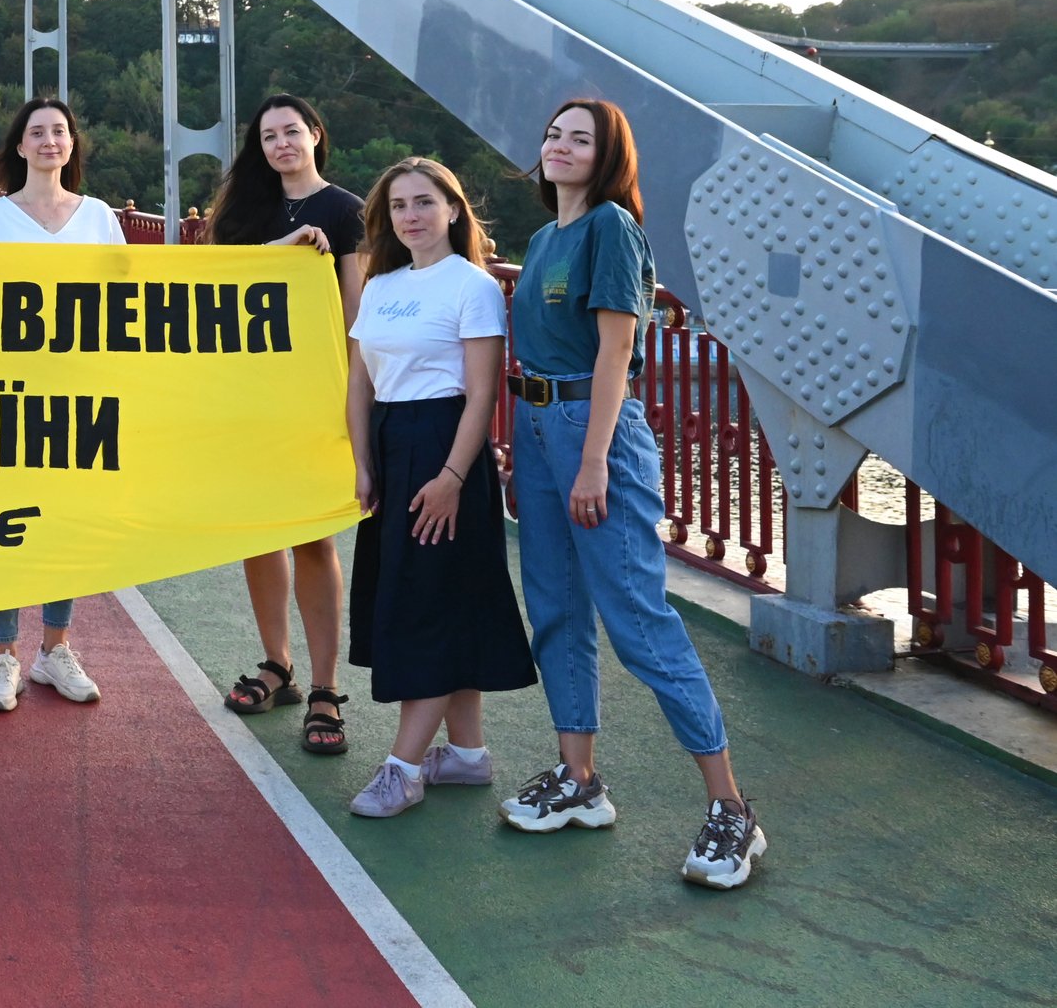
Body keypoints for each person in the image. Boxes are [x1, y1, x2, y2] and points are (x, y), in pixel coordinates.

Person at [502, 98, 766, 888]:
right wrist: (532, 450)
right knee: (554, 608)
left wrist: (592, 463)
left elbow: (617, 349)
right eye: (552, 132)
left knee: (639, 623)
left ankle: (732, 809)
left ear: (609, 155)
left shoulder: (612, 226)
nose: (559, 145)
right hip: (542, 424)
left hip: (595, 434)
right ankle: (578, 779)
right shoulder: (546, 235)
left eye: (580, 138)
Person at [340, 158, 537, 818]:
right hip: (394, 447)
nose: (412, 215)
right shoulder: (381, 283)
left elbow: (481, 392)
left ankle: (404, 767)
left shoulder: (473, 285)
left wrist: (452, 476)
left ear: (453, 208)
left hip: (444, 445)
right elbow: (360, 381)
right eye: (399, 205)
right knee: (435, 594)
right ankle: (468, 753)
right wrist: (365, 460)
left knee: (427, 601)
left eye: (424, 201)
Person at [205, 94, 369, 756]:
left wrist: (357, 401)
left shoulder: (346, 208)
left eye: (291, 131)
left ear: (315, 135)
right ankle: (278, 663)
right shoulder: (244, 209)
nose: (281, 144)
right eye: (269, 135)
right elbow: (218, 285)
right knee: (260, 531)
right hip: (252, 396)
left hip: (314, 398)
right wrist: (281, 248)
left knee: (312, 538)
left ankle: (326, 686)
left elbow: (356, 313)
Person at [0, 96, 119, 712]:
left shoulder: (101, 217)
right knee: (6, 525)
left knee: (63, 523)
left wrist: (280, 254)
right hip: (5, 392)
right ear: (19, 147)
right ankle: (4, 657)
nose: (50, 141)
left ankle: (55, 650)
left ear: (71, 144)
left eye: (60, 131)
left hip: (79, 391)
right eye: (37, 133)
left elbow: (131, 298)